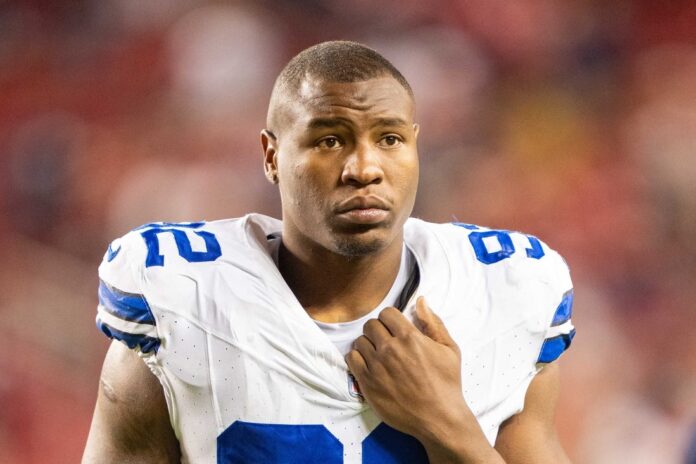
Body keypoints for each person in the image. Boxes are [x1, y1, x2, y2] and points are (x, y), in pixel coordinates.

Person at [83, 41, 575, 463]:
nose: (364, 168)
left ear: (415, 145)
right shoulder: (183, 302)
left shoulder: (504, 292)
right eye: (330, 140)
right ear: (272, 156)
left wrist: (450, 426)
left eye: (389, 139)